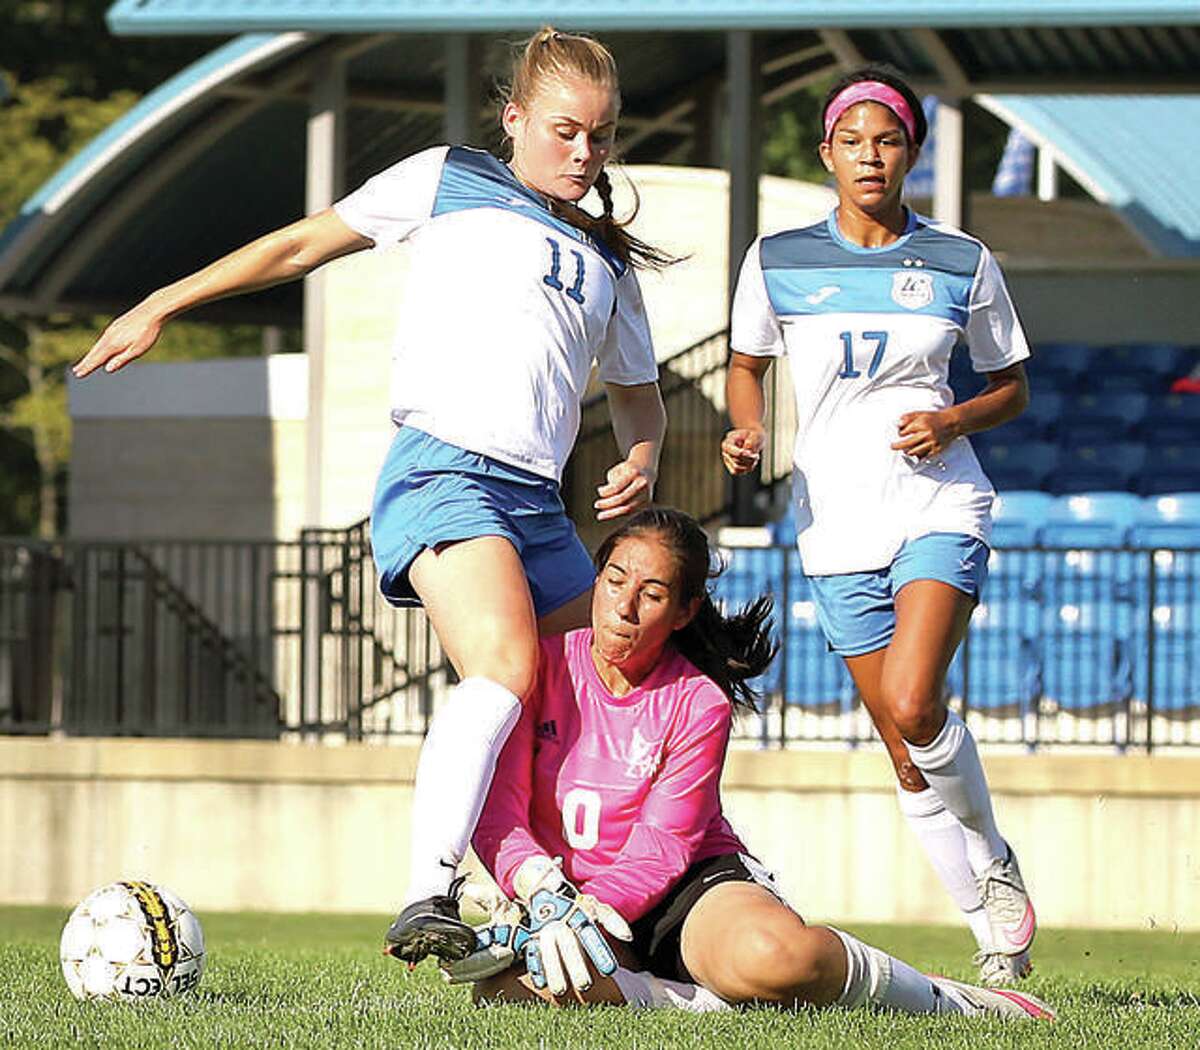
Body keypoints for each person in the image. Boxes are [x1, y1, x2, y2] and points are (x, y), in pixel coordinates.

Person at [72, 27, 670, 965]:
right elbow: (299, 245)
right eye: (564, 130)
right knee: (507, 670)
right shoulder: (446, 177)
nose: (584, 153)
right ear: (513, 118)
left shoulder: (608, 258)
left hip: (539, 504)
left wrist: (643, 455)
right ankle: (426, 893)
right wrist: (162, 302)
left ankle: (565, 898)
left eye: (600, 136)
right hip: (443, 470)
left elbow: (639, 396)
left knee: (588, 698)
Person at [446, 508, 1053, 1022]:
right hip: (563, 900)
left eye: (651, 595)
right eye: (614, 581)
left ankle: (956, 1003)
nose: (624, 607)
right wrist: (542, 897)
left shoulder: (698, 701)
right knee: (507, 992)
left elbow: (664, 845)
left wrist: (585, 911)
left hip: (686, 892)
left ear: (683, 612)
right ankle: (692, 1003)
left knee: (775, 959)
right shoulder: (536, 668)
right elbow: (496, 810)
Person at [722, 65, 1036, 987]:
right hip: (833, 524)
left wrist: (952, 420)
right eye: (852, 141)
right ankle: (993, 935)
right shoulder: (776, 258)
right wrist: (746, 425)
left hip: (938, 500)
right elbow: (747, 366)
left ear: (911, 154)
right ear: (827, 154)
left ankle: (995, 859)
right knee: (902, 750)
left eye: (888, 140)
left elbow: (1011, 388)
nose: (870, 155)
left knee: (911, 700)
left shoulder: (963, 260)